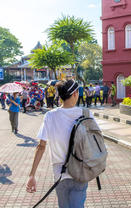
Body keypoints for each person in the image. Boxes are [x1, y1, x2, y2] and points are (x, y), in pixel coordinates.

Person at [26, 80, 94, 208]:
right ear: (74, 93)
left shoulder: (50, 116)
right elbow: (95, 141)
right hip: (80, 171)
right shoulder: (85, 113)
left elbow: (41, 147)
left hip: (59, 174)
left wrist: (32, 175)